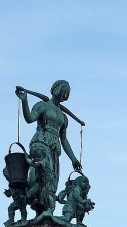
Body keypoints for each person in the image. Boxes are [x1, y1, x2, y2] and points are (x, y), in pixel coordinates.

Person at [15, 81, 82, 213]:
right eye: (64, 91)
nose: (65, 94)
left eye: (67, 93)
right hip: (41, 143)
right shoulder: (43, 106)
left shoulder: (63, 117)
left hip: (55, 149)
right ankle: (32, 198)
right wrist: (24, 101)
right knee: (44, 176)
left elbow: (63, 139)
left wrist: (73, 159)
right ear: (57, 90)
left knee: (53, 180)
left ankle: (45, 207)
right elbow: (29, 118)